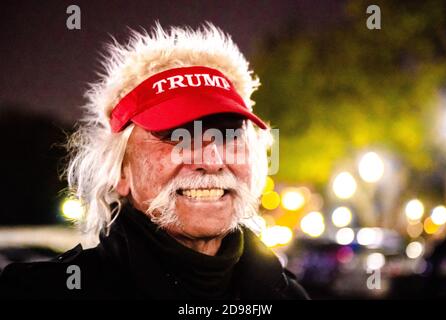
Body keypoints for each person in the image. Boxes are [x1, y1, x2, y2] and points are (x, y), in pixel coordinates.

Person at [0, 23, 309, 300]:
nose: (212, 160)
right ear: (121, 170)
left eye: (228, 136)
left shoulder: (290, 295)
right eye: (177, 135)